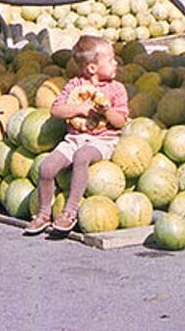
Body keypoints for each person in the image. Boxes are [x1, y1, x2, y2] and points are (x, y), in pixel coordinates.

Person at [24, 35, 129, 235]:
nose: (116, 63)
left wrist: (106, 110)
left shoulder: (116, 89)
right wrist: (80, 109)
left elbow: (120, 122)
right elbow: (56, 110)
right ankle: (44, 213)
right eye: (110, 60)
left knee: (82, 157)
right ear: (92, 68)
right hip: (73, 139)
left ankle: (69, 212)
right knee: (46, 167)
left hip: (103, 141)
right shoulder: (74, 85)